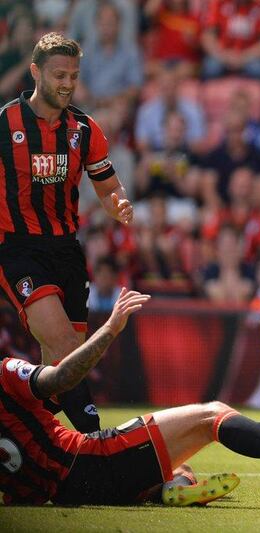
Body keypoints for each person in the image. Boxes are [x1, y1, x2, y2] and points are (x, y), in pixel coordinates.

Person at [0, 288, 260, 505]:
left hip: (63, 491)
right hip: (88, 463)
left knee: (179, 463)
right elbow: (61, 378)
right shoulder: (4, 374)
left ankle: (170, 487)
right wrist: (110, 330)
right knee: (212, 416)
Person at [0, 33, 134, 433]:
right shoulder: (5, 124)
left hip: (67, 253)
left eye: (74, 76)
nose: (67, 83)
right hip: (17, 250)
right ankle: (97, 442)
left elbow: (108, 186)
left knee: (63, 367)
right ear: (36, 71)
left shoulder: (85, 129)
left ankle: (25, 436)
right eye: (59, 74)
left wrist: (118, 204)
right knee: (65, 348)